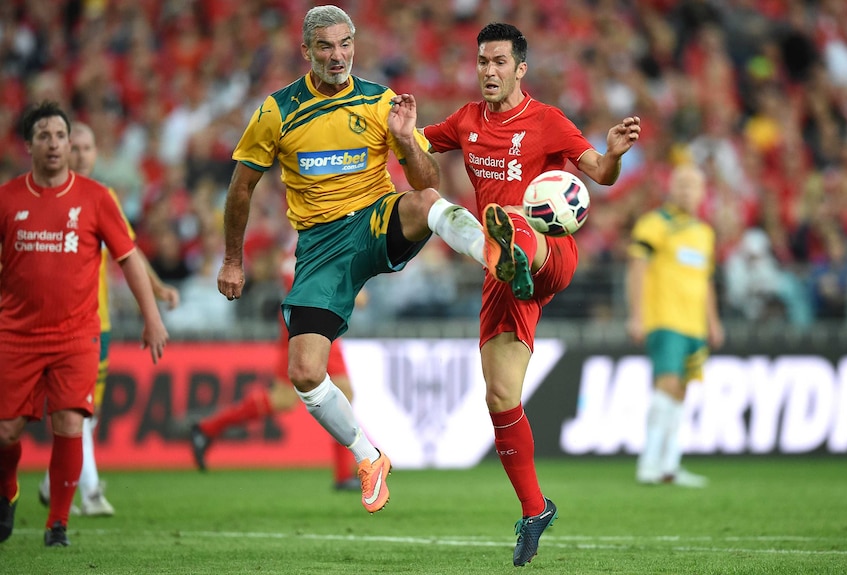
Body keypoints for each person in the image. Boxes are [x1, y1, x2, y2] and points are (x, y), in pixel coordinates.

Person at [216, 5, 501, 515]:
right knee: (304, 371)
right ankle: (369, 459)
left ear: (355, 45)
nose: (337, 56)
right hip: (321, 248)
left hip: (373, 220)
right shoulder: (277, 111)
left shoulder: (379, 101)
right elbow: (240, 189)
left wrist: (405, 139)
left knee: (424, 203)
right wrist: (232, 261)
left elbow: (423, 178)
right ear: (306, 51)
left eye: (344, 44)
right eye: (325, 46)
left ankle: (495, 255)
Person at [421, 23, 641, 566]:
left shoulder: (548, 122)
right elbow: (418, 144)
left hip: (550, 253)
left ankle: (513, 249)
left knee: (503, 216)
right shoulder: (466, 122)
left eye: (499, 62)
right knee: (500, 398)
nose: (488, 71)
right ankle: (535, 508)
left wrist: (611, 155)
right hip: (504, 276)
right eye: (482, 61)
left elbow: (599, 174)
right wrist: (400, 133)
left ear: (521, 68)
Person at [0, 101, 169, 547]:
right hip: (15, 334)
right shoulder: (8, 198)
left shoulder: (95, 198)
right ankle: (7, 489)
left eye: (62, 136)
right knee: (6, 432)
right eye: (45, 136)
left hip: (76, 335)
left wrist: (151, 318)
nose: (55, 145)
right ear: (29, 145)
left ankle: (57, 524)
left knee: (70, 425)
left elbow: (129, 259)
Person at [37, 122, 180, 517]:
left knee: (84, 412)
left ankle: (66, 484)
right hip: (36, 325)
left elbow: (128, 252)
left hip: (91, 323)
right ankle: (85, 489)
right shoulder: (39, 198)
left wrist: (157, 289)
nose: (80, 155)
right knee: (52, 414)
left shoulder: (102, 198)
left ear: (96, 153)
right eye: (75, 147)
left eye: (86, 147)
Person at [191, 263, 364, 492]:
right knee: (342, 392)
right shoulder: (320, 236)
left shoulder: (306, 238)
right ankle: (343, 475)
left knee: (282, 399)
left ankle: (207, 429)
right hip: (315, 316)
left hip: (309, 314)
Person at [625, 163, 724, 488]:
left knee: (681, 392)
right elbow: (637, 268)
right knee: (666, 385)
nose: (686, 191)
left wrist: (714, 322)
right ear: (671, 189)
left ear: (702, 193)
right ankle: (648, 463)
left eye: (692, 185)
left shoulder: (704, 232)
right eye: (681, 184)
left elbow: (706, 280)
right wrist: (637, 314)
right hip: (664, 319)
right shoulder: (655, 224)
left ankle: (670, 465)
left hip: (694, 325)